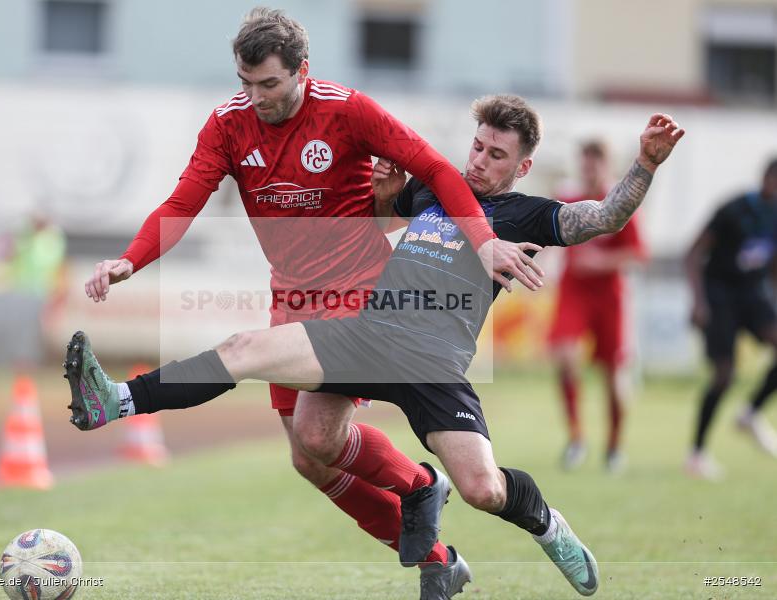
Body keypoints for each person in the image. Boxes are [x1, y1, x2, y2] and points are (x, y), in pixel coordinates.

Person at [67, 95, 685, 597]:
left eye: (497, 156)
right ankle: (117, 399)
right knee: (253, 357)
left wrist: (647, 166)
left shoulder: (525, 214)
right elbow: (378, 225)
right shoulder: (433, 191)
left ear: (522, 167)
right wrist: (388, 195)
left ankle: (549, 526)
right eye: (477, 146)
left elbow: (601, 219)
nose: (479, 162)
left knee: (483, 489)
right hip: (366, 334)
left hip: (434, 365)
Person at [81, 8, 542, 597]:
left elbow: (432, 167)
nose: (256, 98)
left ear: (302, 71)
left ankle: (421, 483)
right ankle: (436, 557)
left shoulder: (347, 109)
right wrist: (130, 260)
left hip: (360, 292)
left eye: (269, 85)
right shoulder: (227, 125)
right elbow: (183, 202)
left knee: (312, 430)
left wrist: (483, 244)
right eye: (245, 84)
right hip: (293, 294)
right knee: (310, 460)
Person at [547, 140, 648, 472]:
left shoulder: (621, 205)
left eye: (596, 163)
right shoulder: (570, 200)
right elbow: (545, 230)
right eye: (585, 163)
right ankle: (576, 439)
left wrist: (601, 260)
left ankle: (615, 446)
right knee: (563, 355)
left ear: (608, 166)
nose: (589, 169)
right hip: (574, 290)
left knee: (615, 377)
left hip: (610, 296)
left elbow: (638, 253)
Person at [685, 158, 777, 480]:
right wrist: (698, 302)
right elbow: (693, 253)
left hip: (752, 295)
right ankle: (696, 454)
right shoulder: (735, 209)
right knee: (724, 375)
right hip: (719, 294)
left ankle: (750, 413)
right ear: (767, 178)